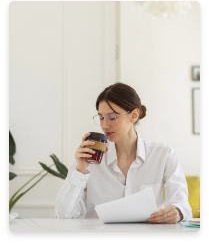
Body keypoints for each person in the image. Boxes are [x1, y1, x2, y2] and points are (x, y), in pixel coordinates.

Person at [55, 82, 193, 223]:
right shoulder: (90, 158)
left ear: (133, 115)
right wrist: (79, 171)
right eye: (101, 117)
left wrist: (178, 212)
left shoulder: (164, 155)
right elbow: (63, 217)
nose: (104, 125)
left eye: (112, 117)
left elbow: (183, 205)